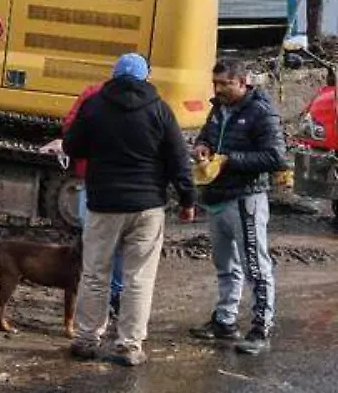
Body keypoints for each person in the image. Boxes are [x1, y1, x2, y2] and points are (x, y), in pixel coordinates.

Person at [63, 53, 196, 366]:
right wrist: (188, 201)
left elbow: (72, 146)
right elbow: (179, 159)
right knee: (139, 278)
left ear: (114, 75)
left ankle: (86, 340)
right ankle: (129, 346)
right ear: (145, 77)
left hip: (104, 205)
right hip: (147, 207)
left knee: (95, 273)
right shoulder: (160, 109)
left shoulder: (94, 106)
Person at [189, 59, 286, 356]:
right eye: (215, 83)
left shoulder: (261, 112)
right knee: (225, 265)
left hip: (247, 199)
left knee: (255, 266)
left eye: (225, 84)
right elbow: (207, 134)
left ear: (242, 83)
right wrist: (202, 146)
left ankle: (260, 328)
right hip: (218, 197)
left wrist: (230, 160)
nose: (218, 89)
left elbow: (275, 157)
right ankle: (225, 320)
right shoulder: (218, 108)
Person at [43, 81, 126, 319]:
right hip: (125, 185)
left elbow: (71, 127)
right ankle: (114, 295)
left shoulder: (94, 95)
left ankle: (93, 299)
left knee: (92, 238)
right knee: (118, 243)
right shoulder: (152, 103)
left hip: (94, 178)